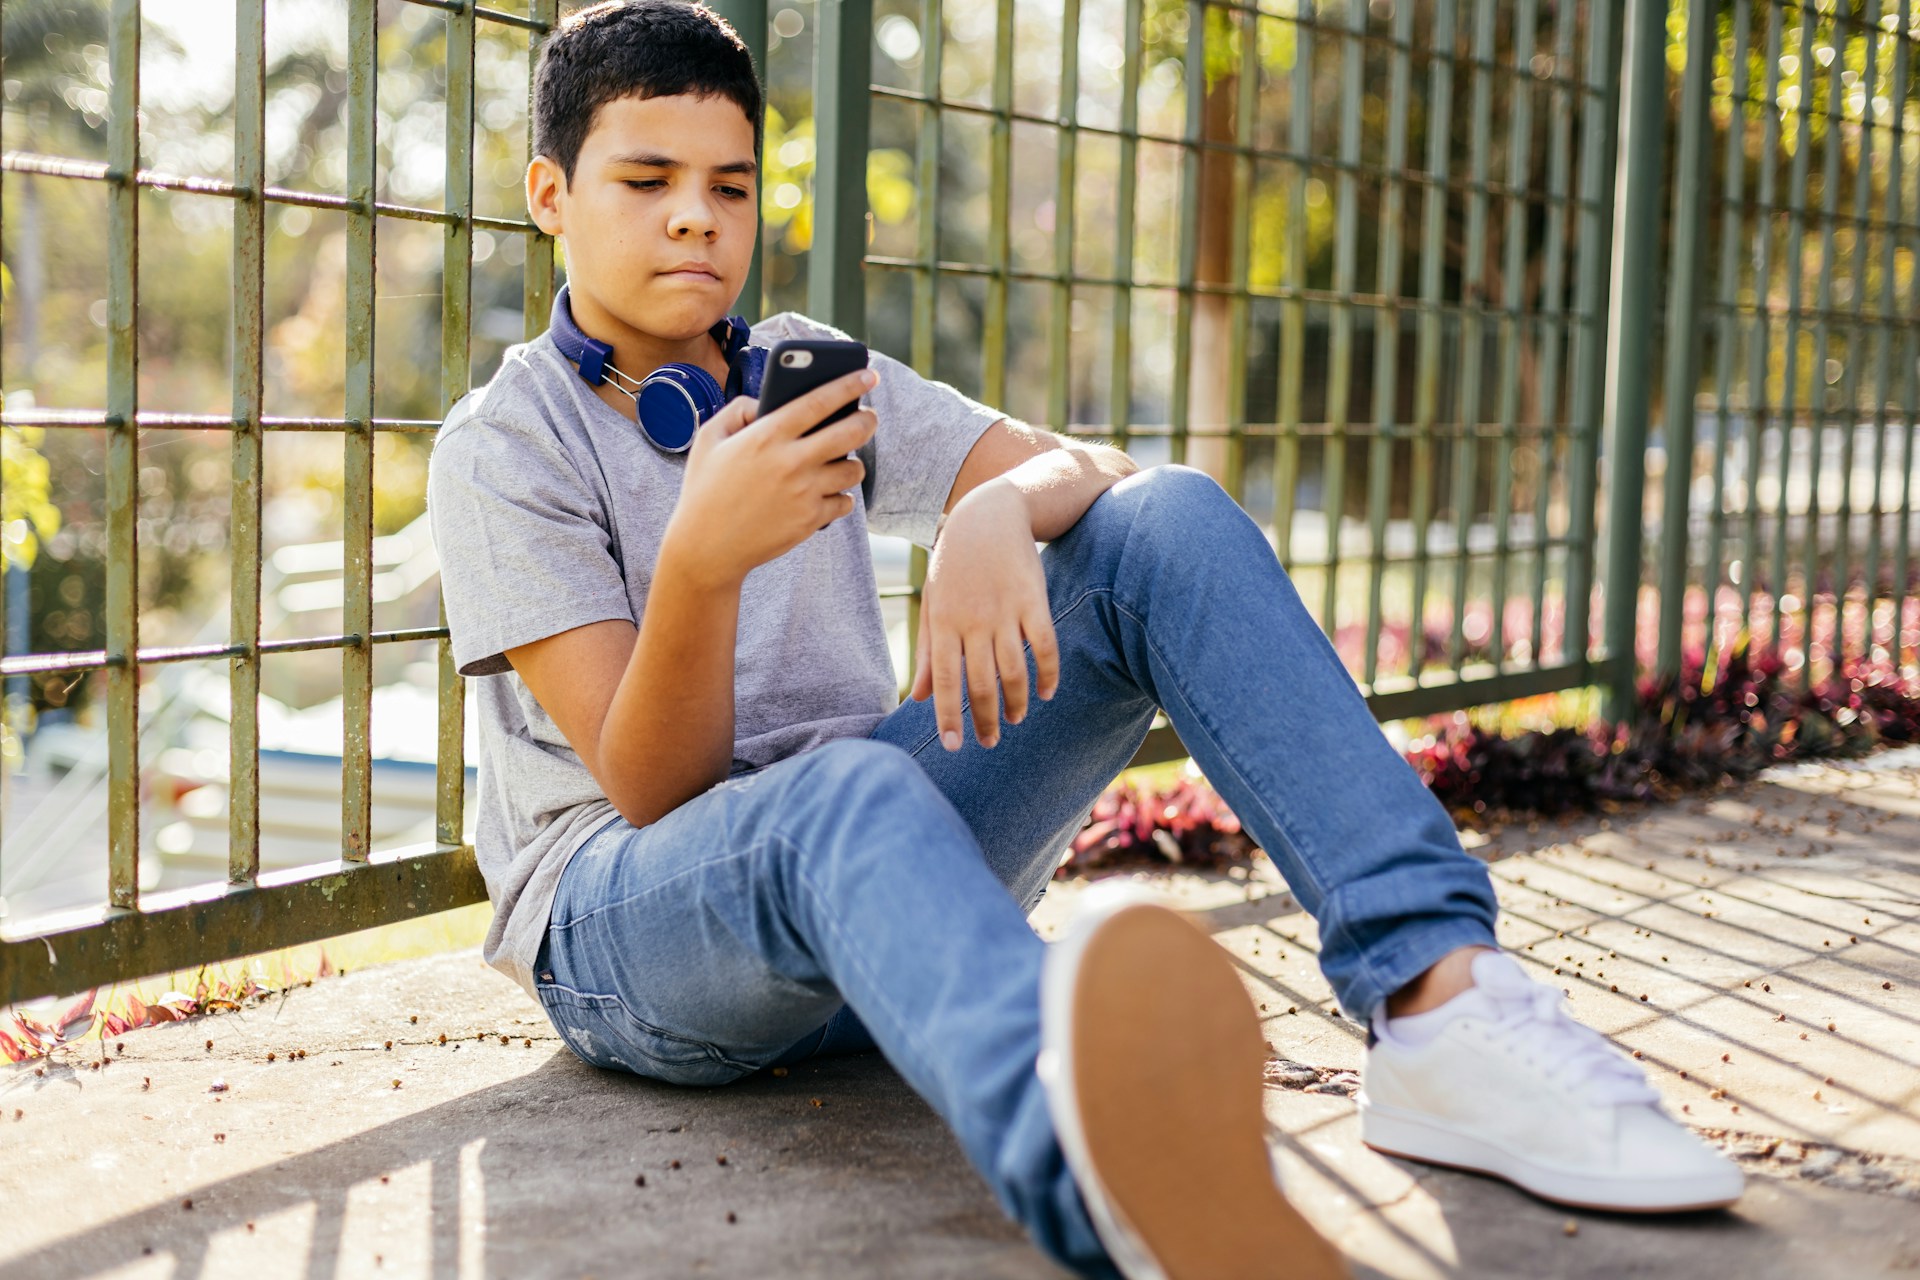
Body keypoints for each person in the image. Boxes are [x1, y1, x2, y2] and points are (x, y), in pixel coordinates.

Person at [424, 2, 1745, 1275]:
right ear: (550, 194)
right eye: (646, 179)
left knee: (1161, 520)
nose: (696, 218)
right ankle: (1113, 1186)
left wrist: (995, 508)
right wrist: (703, 562)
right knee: (844, 794)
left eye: (729, 184)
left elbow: (1087, 466)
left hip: (883, 899)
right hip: (637, 944)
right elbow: (652, 789)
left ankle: (1439, 1004)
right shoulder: (507, 446)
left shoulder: (806, 372)